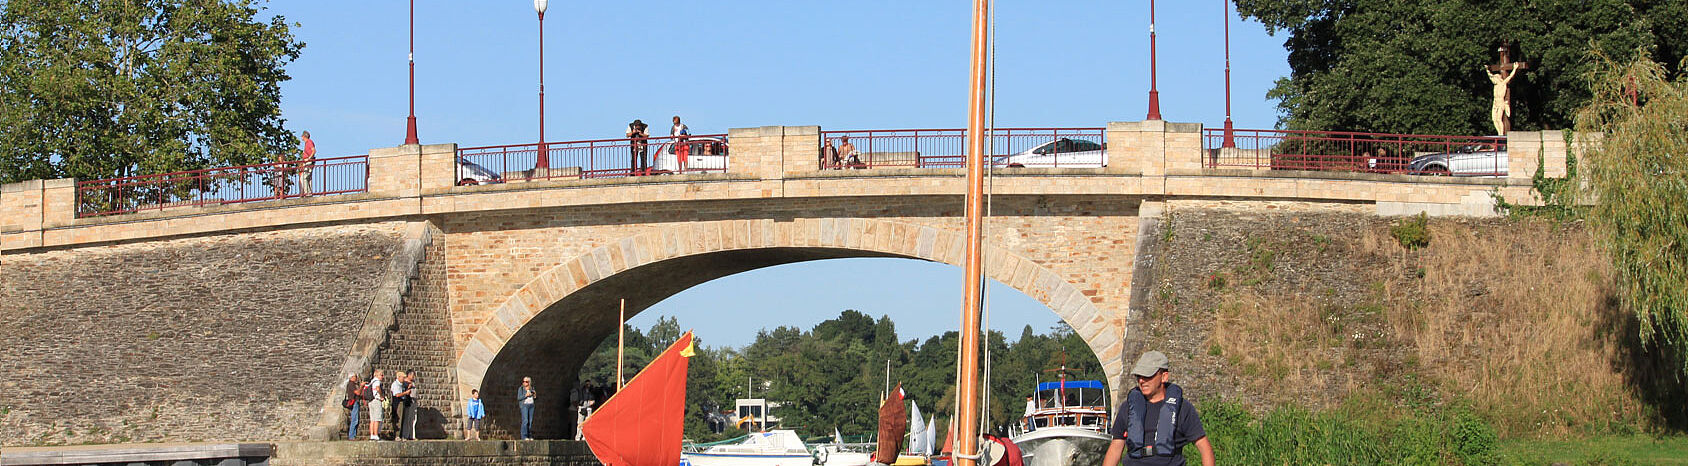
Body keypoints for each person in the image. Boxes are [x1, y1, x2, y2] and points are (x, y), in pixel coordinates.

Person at [1101, 351, 1214, 466]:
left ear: (1164, 377)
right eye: (1139, 376)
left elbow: (1204, 447)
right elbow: (1116, 447)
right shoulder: (1128, 407)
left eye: (1148, 376)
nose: (1141, 381)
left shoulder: (1183, 408)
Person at [1486, 61, 1522, 135]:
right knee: (1494, 119)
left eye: (1495, 78)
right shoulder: (1495, 85)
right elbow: (1490, 76)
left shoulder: (1502, 83)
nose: (1494, 79)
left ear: (1498, 78)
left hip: (1500, 102)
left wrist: (1514, 69)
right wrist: (1487, 69)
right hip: (1495, 102)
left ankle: (1501, 134)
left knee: (1499, 119)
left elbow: (1510, 76)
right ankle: (1499, 132)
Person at [390, 371, 410, 440]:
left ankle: (401, 435)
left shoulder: (402, 384)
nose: (404, 379)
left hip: (402, 402)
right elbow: (397, 394)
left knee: (402, 418)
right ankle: (397, 435)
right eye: (403, 377)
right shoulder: (395, 385)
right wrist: (405, 393)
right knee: (398, 418)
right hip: (398, 402)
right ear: (398, 377)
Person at [344, 373, 364, 440]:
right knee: (355, 419)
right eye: (355, 376)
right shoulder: (351, 384)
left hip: (355, 402)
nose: (356, 378)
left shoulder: (351, 384)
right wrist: (361, 387)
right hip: (354, 402)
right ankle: (352, 436)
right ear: (352, 377)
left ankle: (353, 435)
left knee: (355, 419)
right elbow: (358, 393)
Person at [368, 370, 386, 441]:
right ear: (376, 375)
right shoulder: (377, 381)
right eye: (381, 375)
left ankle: (372, 435)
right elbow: (378, 388)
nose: (382, 376)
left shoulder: (371, 382)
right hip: (376, 400)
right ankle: (376, 434)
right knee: (377, 418)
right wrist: (381, 396)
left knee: (372, 419)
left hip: (371, 401)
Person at [400, 372, 418, 440]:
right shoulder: (404, 383)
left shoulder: (413, 382)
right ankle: (405, 435)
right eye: (412, 375)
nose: (413, 376)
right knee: (407, 419)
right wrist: (408, 387)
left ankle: (412, 435)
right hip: (408, 402)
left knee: (413, 419)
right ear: (409, 375)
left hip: (414, 402)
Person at [297, 131, 316, 195]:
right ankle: (308, 192)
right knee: (307, 177)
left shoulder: (309, 142)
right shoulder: (307, 143)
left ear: (304, 136)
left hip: (309, 162)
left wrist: (309, 158)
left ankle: (307, 192)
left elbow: (314, 150)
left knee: (304, 177)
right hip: (307, 161)